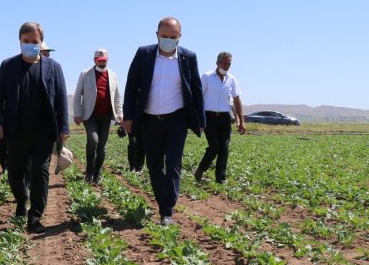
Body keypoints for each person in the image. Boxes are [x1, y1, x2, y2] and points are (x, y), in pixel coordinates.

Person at [0, 21, 70, 234]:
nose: (31, 45)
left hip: (44, 132)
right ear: (20, 41)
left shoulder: (54, 67)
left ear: (41, 42)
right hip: (15, 131)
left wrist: (63, 128)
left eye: (35, 41)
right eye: (26, 41)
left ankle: (35, 217)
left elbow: (61, 99)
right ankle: (21, 200)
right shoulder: (8, 66)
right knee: (15, 173)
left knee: (40, 173)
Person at [122, 17, 204, 225]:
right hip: (149, 120)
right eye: (165, 36)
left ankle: (167, 210)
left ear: (180, 37)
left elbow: (196, 89)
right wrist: (128, 115)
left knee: (174, 164)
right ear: (157, 34)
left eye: (173, 37)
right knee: (155, 166)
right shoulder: (144, 54)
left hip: (176, 118)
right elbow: (131, 85)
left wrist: (200, 119)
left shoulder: (188, 57)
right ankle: (162, 203)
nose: (168, 40)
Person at [194, 52, 246, 184]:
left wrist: (241, 121)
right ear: (217, 63)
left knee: (224, 148)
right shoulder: (207, 77)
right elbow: (198, 98)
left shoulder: (232, 80)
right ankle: (201, 168)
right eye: (224, 63)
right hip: (209, 117)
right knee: (215, 146)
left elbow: (237, 99)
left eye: (229, 64)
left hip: (224, 117)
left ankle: (220, 178)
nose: (227, 66)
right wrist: (198, 119)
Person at [73, 48, 123, 183]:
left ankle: (97, 173)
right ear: (94, 60)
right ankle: (89, 172)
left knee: (102, 148)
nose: (102, 63)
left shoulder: (112, 75)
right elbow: (77, 95)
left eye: (104, 60)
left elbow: (117, 96)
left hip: (106, 116)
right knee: (93, 141)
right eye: (99, 60)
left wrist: (119, 113)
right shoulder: (85, 74)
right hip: (90, 116)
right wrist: (77, 113)